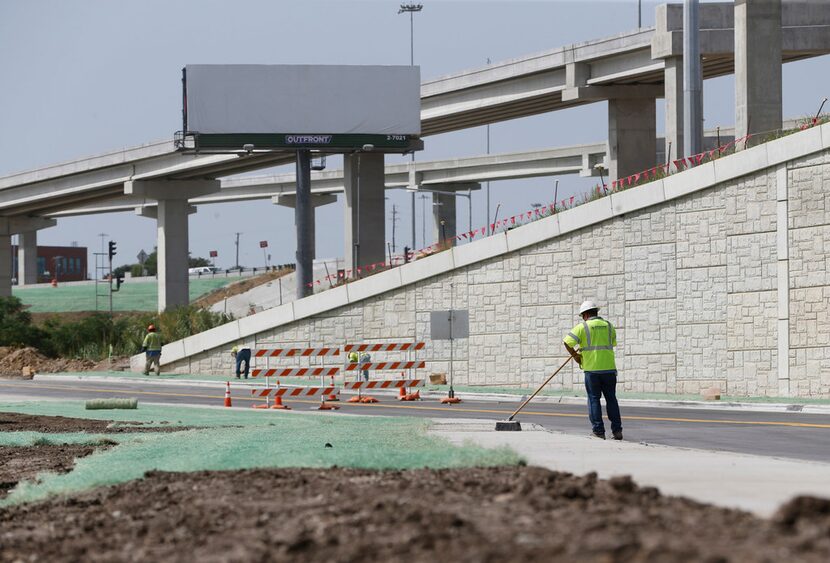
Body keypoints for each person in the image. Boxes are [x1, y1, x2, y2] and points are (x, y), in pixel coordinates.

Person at [563, 300, 623, 440]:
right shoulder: (609, 326)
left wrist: (576, 356)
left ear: (585, 314)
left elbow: (567, 342)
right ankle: (617, 431)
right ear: (596, 312)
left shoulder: (582, 327)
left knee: (594, 399)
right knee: (611, 399)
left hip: (592, 371)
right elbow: (611, 343)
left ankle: (598, 431)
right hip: (609, 369)